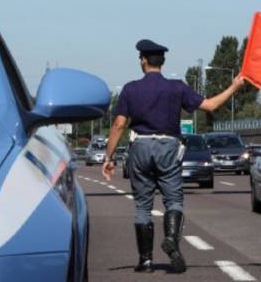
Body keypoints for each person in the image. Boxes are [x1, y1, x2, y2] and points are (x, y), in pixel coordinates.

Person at [102, 39, 245, 274]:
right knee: (174, 201)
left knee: (142, 206)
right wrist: (234, 87)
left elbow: (118, 124)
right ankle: (170, 238)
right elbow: (210, 106)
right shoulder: (177, 88)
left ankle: (145, 261)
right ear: (163, 62)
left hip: (140, 147)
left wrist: (109, 158)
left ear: (143, 61)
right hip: (169, 147)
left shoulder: (130, 89)